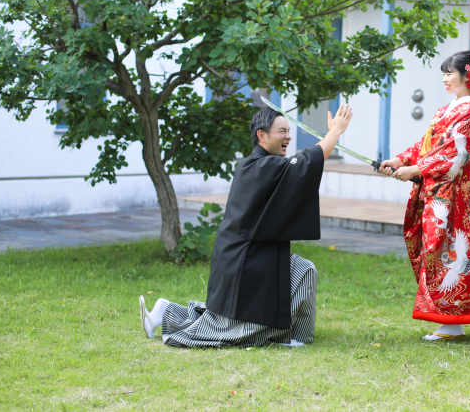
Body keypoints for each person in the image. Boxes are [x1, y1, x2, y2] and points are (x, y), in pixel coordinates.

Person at [139, 103, 353, 347]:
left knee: (305, 270)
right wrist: (334, 132)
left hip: (258, 254)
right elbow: (305, 163)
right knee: (236, 330)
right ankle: (167, 313)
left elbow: (298, 170)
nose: (288, 136)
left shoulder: (267, 165)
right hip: (244, 261)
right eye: (281, 131)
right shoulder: (257, 166)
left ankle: (295, 335)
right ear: (262, 136)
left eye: (288, 131)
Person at [380, 50, 470, 345]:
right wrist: (399, 160)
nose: (445, 78)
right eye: (443, 73)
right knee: (440, 254)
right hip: (442, 195)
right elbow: (428, 145)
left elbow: (454, 153)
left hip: (462, 199)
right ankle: (451, 323)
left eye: (449, 72)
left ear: (468, 77)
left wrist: (416, 169)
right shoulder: (448, 111)